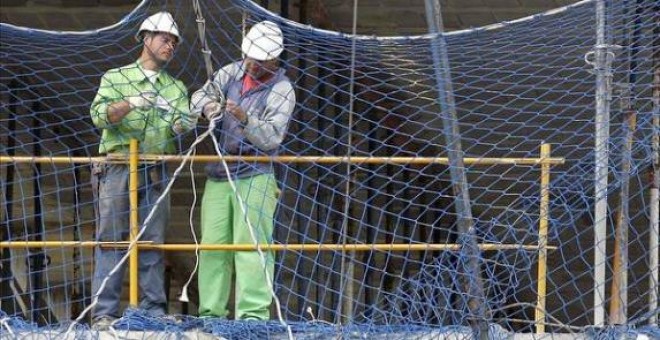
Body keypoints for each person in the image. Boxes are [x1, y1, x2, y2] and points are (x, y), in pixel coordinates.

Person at [89, 11, 197, 329]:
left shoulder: (176, 88)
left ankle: (152, 309)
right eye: (165, 39)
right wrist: (129, 103)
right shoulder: (116, 78)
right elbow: (99, 116)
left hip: (155, 167)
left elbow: (179, 125)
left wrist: (185, 122)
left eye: (174, 43)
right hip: (118, 166)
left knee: (151, 240)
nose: (170, 46)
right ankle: (104, 312)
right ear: (145, 39)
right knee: (112, 239)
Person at [190, 20, 296, 320]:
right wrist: (208, 107)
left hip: (256, 174)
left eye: (258, 61)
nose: (250, 64)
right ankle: (211, 313)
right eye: (248, 57)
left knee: (252, 246)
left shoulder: (282, 89)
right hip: (220, 173)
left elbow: (272, 137)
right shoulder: (230, 72)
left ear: (273, 60)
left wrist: (244, 117)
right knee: (212, 247)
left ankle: (252, 316)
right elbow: (198, 96)